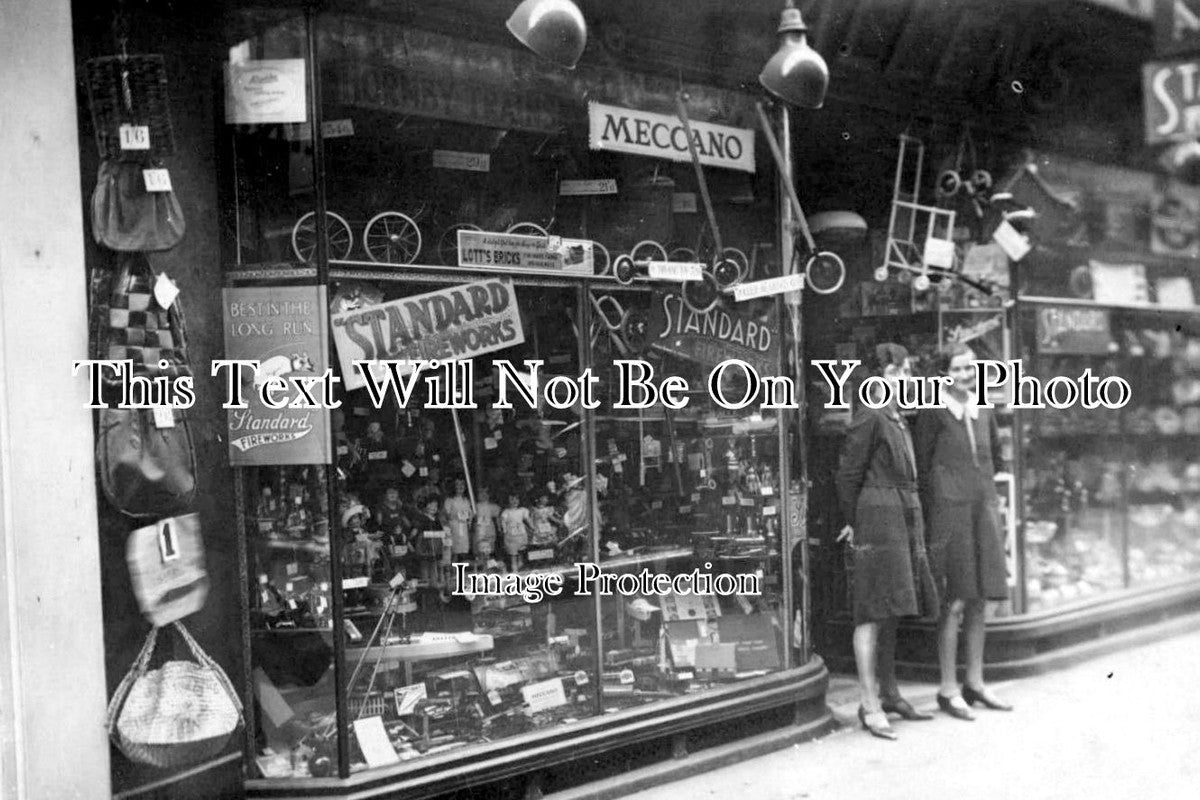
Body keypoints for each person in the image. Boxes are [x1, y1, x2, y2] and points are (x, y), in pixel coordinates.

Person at [836, 343, 940, 740]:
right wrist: (854, 522)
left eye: (907, 372)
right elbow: (848, 473)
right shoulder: (872, 413)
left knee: (892, 607)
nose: (904, 378)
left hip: (902, 513)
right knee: (871, 610)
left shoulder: (896, 415)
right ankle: (869, 704)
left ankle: (890, 694)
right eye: (897, 372)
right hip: (879, 517)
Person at [915, 343, 1013, 719]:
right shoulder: (933, 411)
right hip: (949, 514)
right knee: (953, 601)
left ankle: (975, 682)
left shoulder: (983, 408)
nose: (965, 375)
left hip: (981, 511)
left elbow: (996, 458)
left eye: (970, 368)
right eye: (957, 369)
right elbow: (922, 467)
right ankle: (948, 688)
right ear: (944, 374)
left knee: (979, 599)